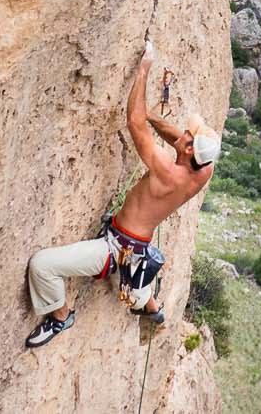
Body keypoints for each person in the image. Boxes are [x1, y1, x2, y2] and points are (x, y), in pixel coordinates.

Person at [24, 42, 219, 348]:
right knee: (137, 290)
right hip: (138, 249)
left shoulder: (168, 172)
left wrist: (143, 70)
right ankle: (153, 309)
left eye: (189, 136)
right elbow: (176, 139)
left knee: (42, 265)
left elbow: (133, 123)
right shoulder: (202, 171)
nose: (183, 133)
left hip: (115, 248)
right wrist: (156, 118)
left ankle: (61, 317)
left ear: (190, 148)